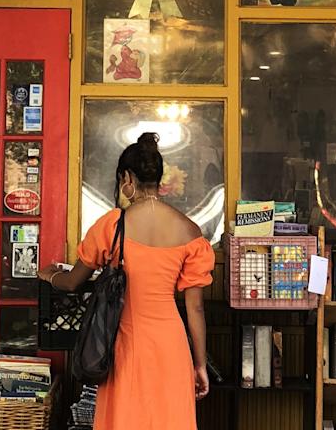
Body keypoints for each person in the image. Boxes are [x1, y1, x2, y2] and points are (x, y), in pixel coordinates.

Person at [39, 133, 214, 430]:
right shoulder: (190, 231)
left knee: (126, 420)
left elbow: (72, 282)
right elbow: (195, 310)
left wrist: (48, 273)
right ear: (159, 177)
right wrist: (199, 365)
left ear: (126, 178)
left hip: (126, 345)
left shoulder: (113, 225)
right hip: (171, 347)